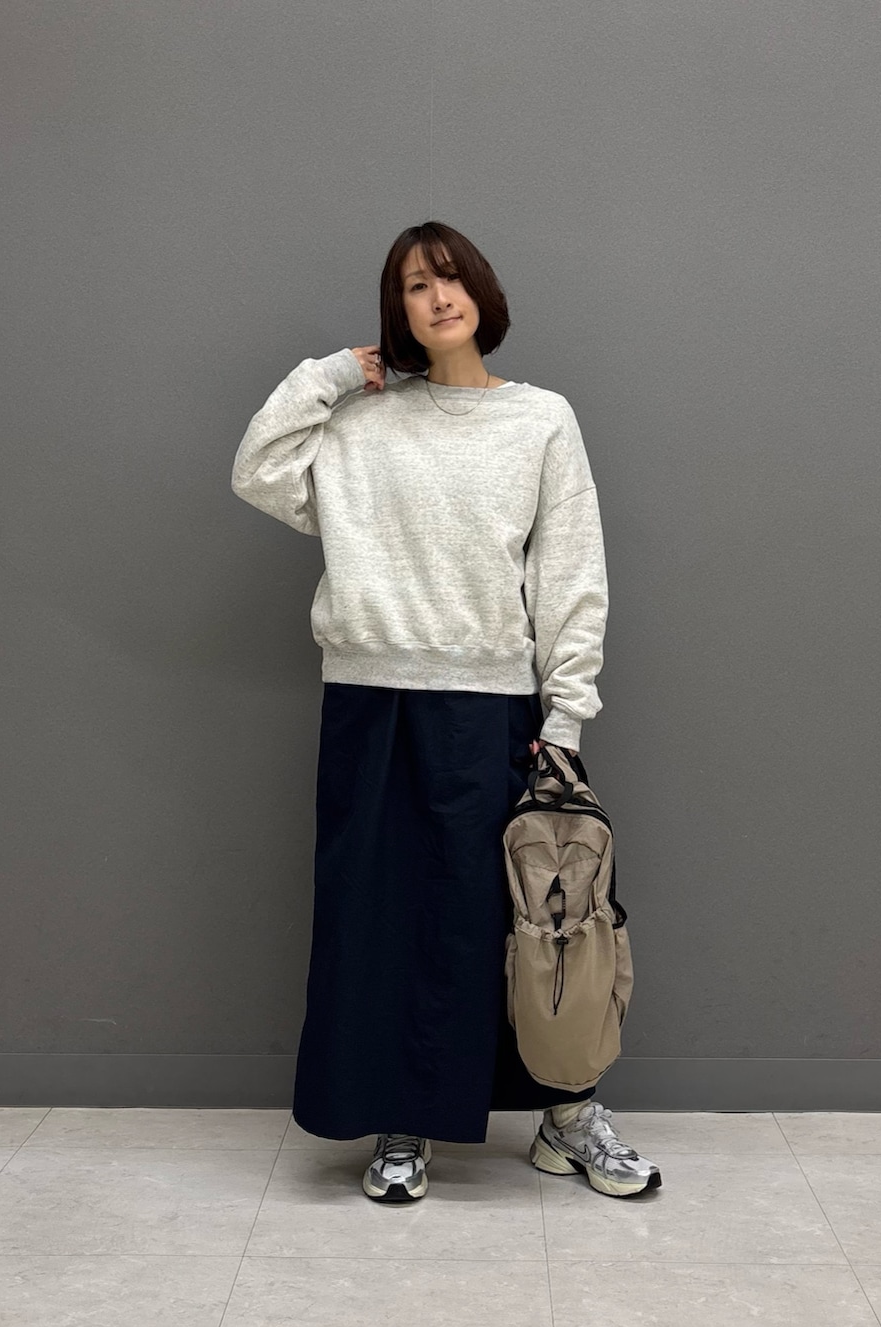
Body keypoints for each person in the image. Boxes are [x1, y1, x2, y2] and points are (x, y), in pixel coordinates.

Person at [231, 221, 661, 1204]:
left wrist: (567, 716)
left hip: (493, 704)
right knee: (382, 919)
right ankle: (403, 1119)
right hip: (370, 697)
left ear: (482, 293)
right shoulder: (360, 422)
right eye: (416, 284)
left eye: (452, 277)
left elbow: (571, 577)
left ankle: (567, 1117)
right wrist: (331, 375)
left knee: (532, 920)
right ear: (398, 310)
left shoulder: (540, 419)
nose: (438, 296)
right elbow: (258, 469)